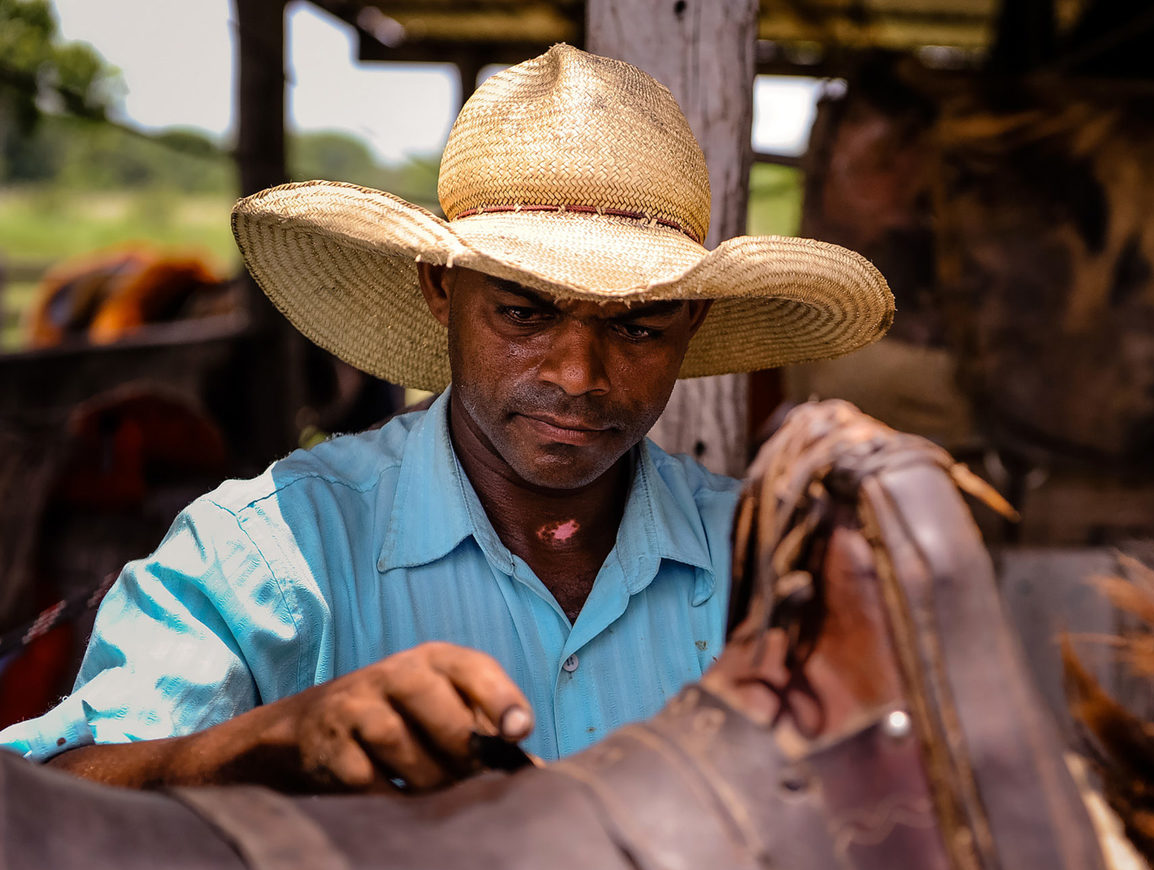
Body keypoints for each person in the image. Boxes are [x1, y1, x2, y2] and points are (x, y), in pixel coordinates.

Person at [2, 44, 892, 791]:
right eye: (524, 313)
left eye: (637, 324)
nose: (579, 375)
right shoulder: (273, 552)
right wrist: (273, 736)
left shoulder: (766, 565)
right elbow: (53, 799)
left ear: (690, 324)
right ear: (441, 291)